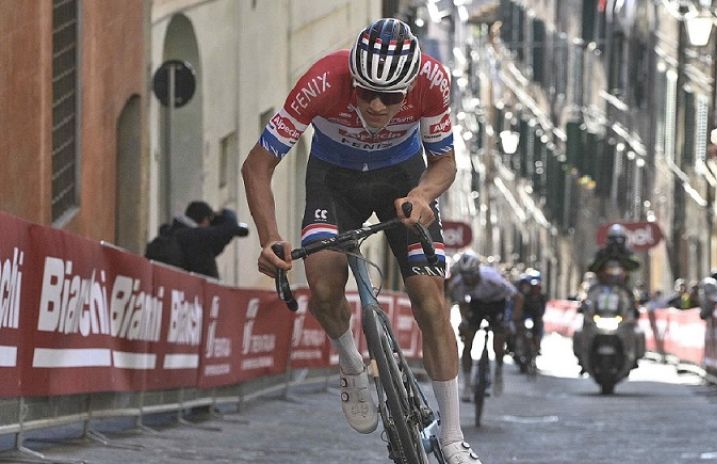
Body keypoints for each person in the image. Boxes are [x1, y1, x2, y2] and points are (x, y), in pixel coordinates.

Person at [241, 18, 481, 463]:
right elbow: (257, 165)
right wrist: (270, 237)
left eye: (389, 97)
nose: (374, 105)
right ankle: (351, 361)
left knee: (431, 300)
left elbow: (444, 161)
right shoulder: (322, 82)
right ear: (351, 76)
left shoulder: (432, 81)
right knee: (325, 283)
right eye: (365, 91)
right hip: (335, 182)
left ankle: (451, 437)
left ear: (408, 88)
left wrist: (423, 196)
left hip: (403, 181)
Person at [446, 252, 521, 401]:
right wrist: (465, 322)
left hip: (498, 304)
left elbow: (518, 297)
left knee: (498, 343)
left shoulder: (493, 279)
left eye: (471, 276)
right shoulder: (459, 283)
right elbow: (463, 304)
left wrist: (512, 321)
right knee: (467, 342)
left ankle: (498, 370)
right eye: (464, 276)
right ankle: (467, 384)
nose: (468, 280)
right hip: (477, 304)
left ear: (477, 272)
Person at [146, 200, 249, 279]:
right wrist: (225, 213)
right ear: (205, 220)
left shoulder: (171, 234)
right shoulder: (195, 236)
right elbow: (229, 228)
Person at [514, 269, 546, 356]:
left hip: (535, 316)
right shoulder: (523, 295)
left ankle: (537, 347)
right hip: (524, 316)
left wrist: (539, 316)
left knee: (538, 331)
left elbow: (542, 309)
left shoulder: (540, 297)